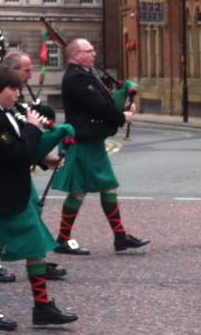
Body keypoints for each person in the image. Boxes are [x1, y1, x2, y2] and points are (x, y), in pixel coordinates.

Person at [0, 65, 78, 331]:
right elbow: (15, 153)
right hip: (0, 194)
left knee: (36, 248)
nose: (18, 94)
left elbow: (20, 150)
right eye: (13, 89)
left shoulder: (6, 114)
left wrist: (43, 159)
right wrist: (32, 127)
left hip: (15, 193)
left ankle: (41, 307)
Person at [50, 39, 148, 255]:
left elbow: (102, 103)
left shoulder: (86, 74)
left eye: (93, 50)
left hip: (91, 141)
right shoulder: (76, 77)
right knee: (80, 191)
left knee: (104, 186)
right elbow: (99, 106)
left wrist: (122, 107)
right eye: (89, 51)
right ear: (76, 56)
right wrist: (122, 117)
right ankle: (64, 240)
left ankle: (119, 237)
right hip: (82, 141)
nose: (93, 54)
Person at [0, 50, 68, 283]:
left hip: (20, 171)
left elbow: (24, 140)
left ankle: (37, 260)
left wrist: (42, 158)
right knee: (1, 221)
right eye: (26, 71)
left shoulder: (15, 99)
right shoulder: (1, 102)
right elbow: (13, 141)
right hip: (3, 173)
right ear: (12, 71)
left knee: (33, 213)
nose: (30, 75)